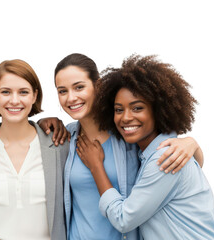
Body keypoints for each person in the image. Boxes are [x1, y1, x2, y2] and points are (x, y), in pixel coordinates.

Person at [53, 53, 204, 240]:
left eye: (79, 87)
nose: (71, 98)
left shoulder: (127, 135)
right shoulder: (65, 137)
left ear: (98, 86)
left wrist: (192, 144)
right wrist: (43, 122)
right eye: (62, 91)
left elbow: (179, 167)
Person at [0, 59, 69, 239]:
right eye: (5, 92)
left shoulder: (59, 146)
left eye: (23, 92)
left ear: (34, 96)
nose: (14, 100)